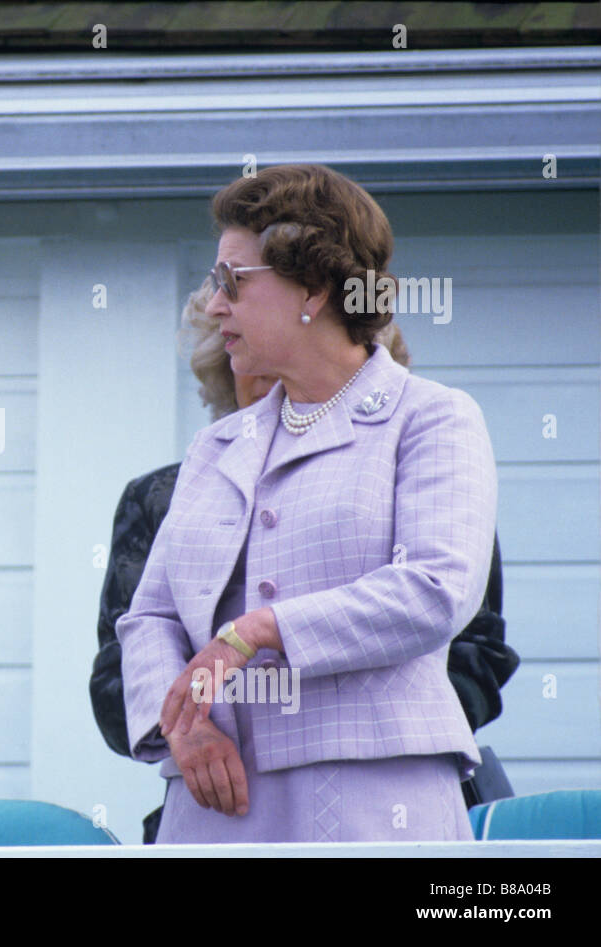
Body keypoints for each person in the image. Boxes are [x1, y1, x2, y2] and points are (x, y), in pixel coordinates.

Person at [116, 164, 499, 842]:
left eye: (233, 281)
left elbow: (438, 588)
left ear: (314, 289)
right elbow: (149, 615)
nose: (214, 304)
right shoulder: (216, 446)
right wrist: (186, 729)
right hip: (211, 807)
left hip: (374, 803)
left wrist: (258, 629)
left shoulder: (433, 417)